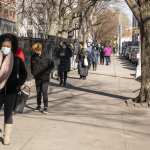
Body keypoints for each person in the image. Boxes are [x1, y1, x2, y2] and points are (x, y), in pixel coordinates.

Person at [0, 33, 27, 145]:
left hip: (11, 91)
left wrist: (18, 83)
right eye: (4, 45)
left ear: (12, 47)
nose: (5, 48)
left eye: (8, 46)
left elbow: (24, 74)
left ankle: (7, 137)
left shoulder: (16, 60)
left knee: (8, 114)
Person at [31, 42, 54, 114]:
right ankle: (38, 105)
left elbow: (52, 65)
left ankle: (45, 107)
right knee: (38, 92)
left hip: (45, 78)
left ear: (39, 49)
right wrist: (33, 73)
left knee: (44, 92)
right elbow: (31, 66)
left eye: (36, 50)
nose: (35, 51)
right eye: (34, 50)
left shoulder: (46, 56)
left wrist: (47, 72)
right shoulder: (33, 56)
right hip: (37, 77)